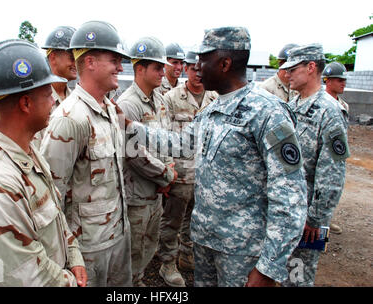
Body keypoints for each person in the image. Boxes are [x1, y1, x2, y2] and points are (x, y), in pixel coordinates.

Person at [122, 27, 308, 287]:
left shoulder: (267, 113)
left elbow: (290, 197)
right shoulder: (212, 110)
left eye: (203, 60)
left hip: (242, 251)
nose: (197, 67)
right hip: (205, 242)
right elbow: (181, 144)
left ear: (224, 63)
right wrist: (129, 126)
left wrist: (269, 267)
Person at [0, 39, 87, 287]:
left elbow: (55, 213)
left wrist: (73, 255)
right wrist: (73, 282)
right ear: (26, 104)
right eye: (47, 94)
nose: (54, 101)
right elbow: (28, 276)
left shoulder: (27, 152)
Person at [39, 20, 132, 287]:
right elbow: (50, 195)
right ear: (90, 62)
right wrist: (66, 255)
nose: (120, 67)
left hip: (119, 234)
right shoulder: (69, 119)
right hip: (88, 247)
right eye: (114, 60)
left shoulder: (111, 110)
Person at [280, 44, 350, 286]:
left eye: (293, 69)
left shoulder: (329, 112)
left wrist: (316, 218)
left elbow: (332, 174)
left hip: (307, 215)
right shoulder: (294, 104)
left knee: (297, 276)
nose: (287, 74)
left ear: (311, 68)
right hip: (285, 206)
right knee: (281, 269)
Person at [116, 37, 177, 287]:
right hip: (137, 196)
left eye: (163, 67)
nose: (163, 72)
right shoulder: (128, 105)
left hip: (157, 192)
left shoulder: (160, 100)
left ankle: (138, 280)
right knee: (134, 250)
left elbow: (167, 138)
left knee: (150, 244)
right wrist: (166, 175)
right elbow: (132, 153)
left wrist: (168, 171)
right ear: (139, 69)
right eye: (157, 67)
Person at [157, 51, 218, 287]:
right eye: (193, 68)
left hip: (205, 175)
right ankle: (167, 263)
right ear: (187, 70)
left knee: (195, 220)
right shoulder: (171, 98)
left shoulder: (215, 98)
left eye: (202, 69)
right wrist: (166, 173)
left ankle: (186, 253)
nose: (198, 74)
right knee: (172, 221)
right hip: (180, 174)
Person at [33, 26, 77, 149]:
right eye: (72, 58)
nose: (76, 64)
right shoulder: (37, 101)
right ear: (53, 58)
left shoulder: (74, 98)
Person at [323, 61, 350, 235]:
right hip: (322, 161)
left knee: (333, 192)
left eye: (344, 80)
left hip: (335, 159)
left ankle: (327, 219)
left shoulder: (344, 106)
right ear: (328, 80)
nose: (343, 83)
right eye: (339, 80)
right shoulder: (322, 105)